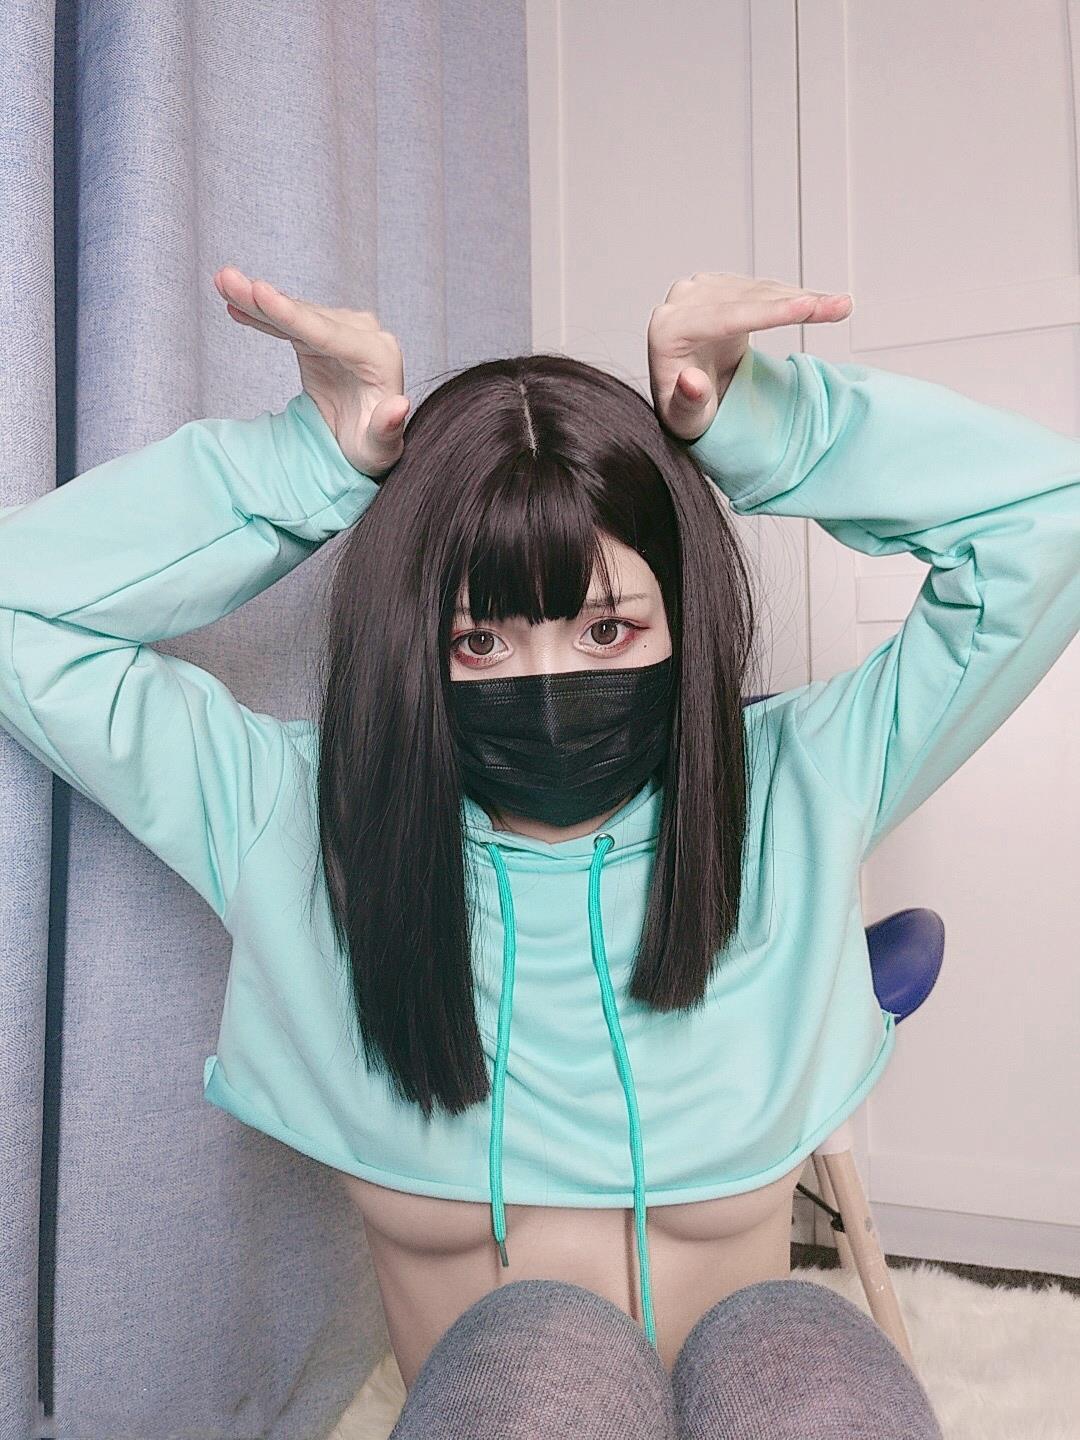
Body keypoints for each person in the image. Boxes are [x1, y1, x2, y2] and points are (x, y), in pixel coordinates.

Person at [3, 265, 1077, 1437]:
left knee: (809, 1367)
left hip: (756, 1385)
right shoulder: (294, 819)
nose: (552, 681)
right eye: (479, 642)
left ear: (682, 618)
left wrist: (759, 425)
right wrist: (309, 464)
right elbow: (20, 614)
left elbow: (1046, 522)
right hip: (513, 1407)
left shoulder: (799, 784)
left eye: (608, 627)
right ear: (411, 645)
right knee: (547, 1342)